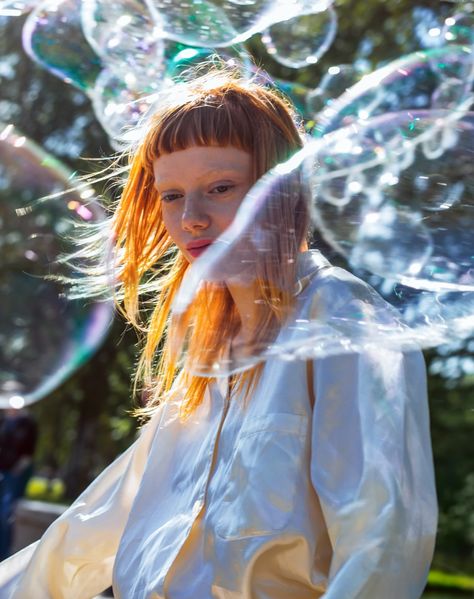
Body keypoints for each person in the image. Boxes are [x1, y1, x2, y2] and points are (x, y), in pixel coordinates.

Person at [0, 67, 437, 598]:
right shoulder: (204, 356)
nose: (192, 219)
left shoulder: (345, 322)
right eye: (171, 195)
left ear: (283, 189)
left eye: (221, 188)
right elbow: (94, 528)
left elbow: (383, 548)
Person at [0, 408, 37, 561]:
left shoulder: (28, 423)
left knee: (6, 512)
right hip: (3, 470)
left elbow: (28, 453)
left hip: (16, 473)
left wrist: (16, 471)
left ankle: (4, 554)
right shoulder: (4, 421)